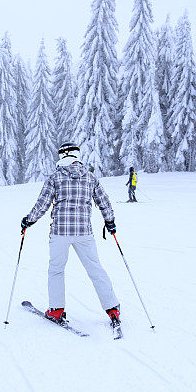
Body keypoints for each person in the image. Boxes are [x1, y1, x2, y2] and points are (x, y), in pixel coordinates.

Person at [21, 141, 121, 328]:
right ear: (77, 156)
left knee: (56, 269)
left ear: (61, 157)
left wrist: (29, 220)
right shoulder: (90, 177)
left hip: (60, 232)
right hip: (84, 233)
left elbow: (42, 204)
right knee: (95, 269)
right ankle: (113, 309)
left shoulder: (55, 177)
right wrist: (110, 222)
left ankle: (57, 310)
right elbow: (104, 202)